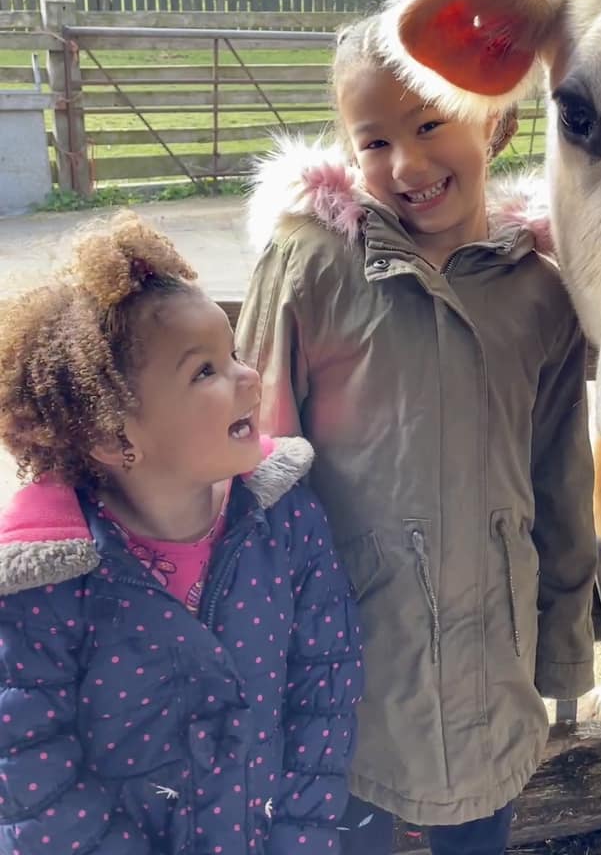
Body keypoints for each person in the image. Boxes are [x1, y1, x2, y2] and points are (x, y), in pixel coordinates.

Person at [236, 13, 598, 855]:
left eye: (430, 123)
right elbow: (252, 464)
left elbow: (560, 477)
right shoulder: (312, 264)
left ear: (494, 120)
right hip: (347, 671)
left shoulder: (540, 294)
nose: (407, 164)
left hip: (491, 672)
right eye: (373, 142)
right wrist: (261, 658)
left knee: (479, 837)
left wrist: (565, 642)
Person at [0, 212, 361, 855]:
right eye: (205, 372)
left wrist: (300, 839)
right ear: (115, 438)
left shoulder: (285, 521)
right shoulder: (46, 584)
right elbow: (30, 767)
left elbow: (324, 688)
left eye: (233, 355)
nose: (249, 378)